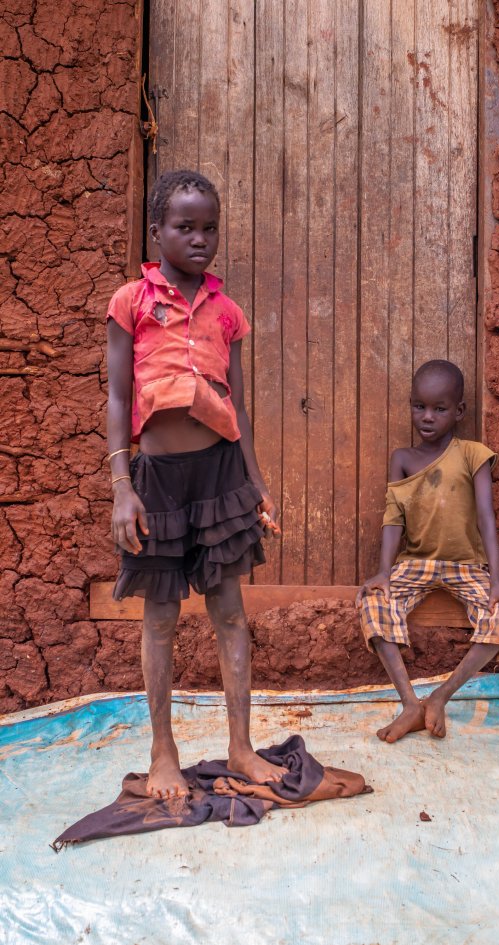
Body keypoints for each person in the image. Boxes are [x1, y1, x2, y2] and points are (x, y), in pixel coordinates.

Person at [106, 169, 284, 799]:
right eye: (185, 227)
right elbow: (119, 394)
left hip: (219, 475)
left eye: (209, 227)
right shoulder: (131, 301)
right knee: (160, 621)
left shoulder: (227, 313)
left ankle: (241, 747)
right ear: (156, 232)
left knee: (230, 614)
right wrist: (122, 486)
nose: (200, 238)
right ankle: (163, 753)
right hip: (156, 479)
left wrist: (256, 483)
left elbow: (236, 404)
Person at [356, 359, 499, 743]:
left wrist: (497, 581)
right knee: (372, 604)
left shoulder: (473, 455)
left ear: (459, 411)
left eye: (439, 408)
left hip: (466, 565)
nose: (427, 417)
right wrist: (383, 572)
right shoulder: (402, 458)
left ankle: (440, 696)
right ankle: (410, 704)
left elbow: (486, 516)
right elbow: (393, 517)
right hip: (415, 563)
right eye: (419, 406)